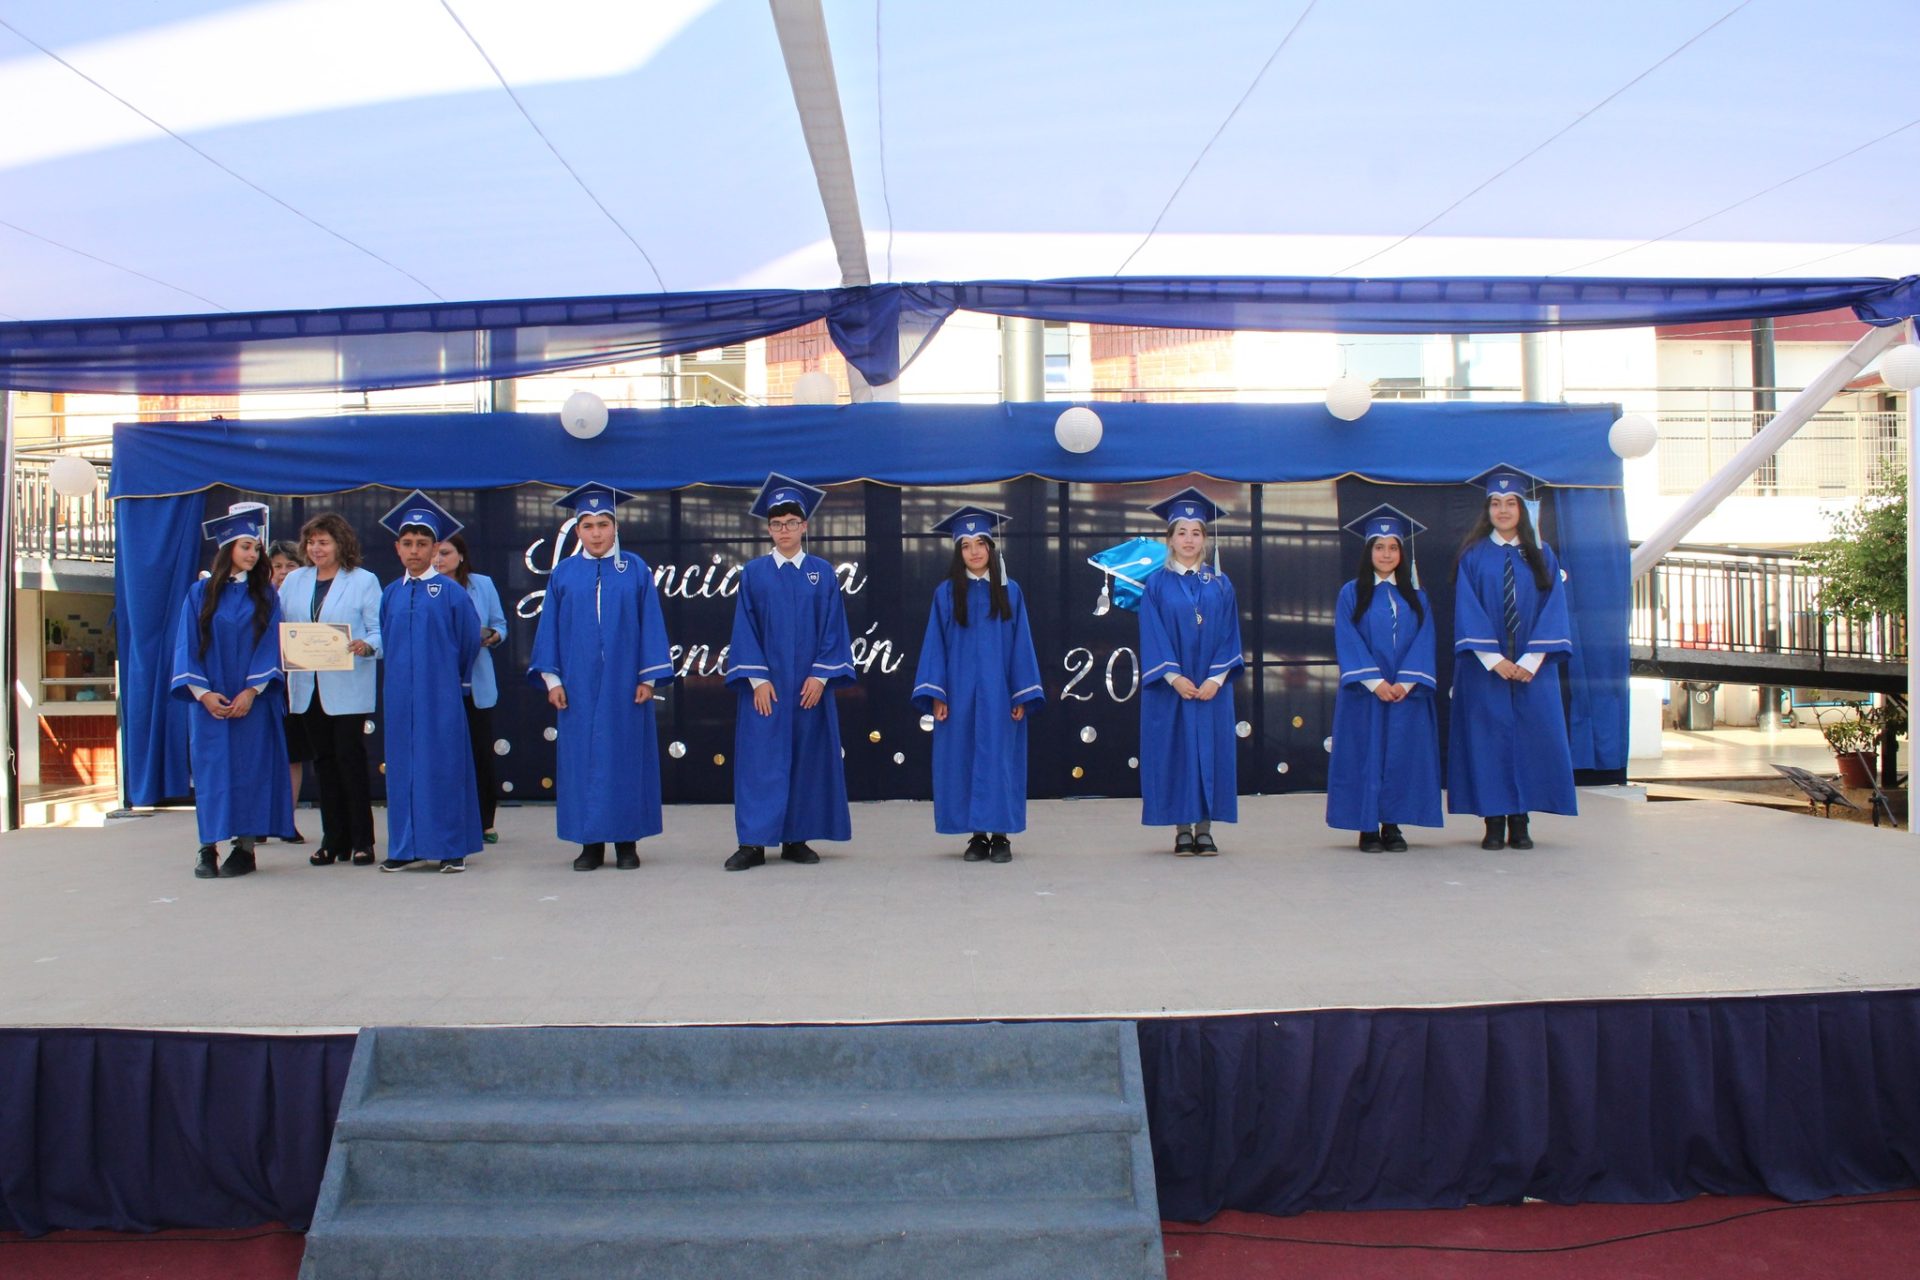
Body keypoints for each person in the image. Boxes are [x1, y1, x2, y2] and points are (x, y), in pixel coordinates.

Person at [526, 484, 674, 871]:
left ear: (616, 527)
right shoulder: (564, 574)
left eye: (603, 524)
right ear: (577, 530)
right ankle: (589, 843)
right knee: (582, 761)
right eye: (588, 525)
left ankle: (627, 843)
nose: (596, 533)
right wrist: (553, 681)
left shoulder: (635, 569)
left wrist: (648, 679)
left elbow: (651, 624)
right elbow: (549, 629)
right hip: (577, 685)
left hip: (625, 685)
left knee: (625, 758)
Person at [723, 473, 856, 871]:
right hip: (767, 688)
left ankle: (797, 839)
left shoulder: (821, 573)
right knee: (760, 762)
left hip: (808, 687)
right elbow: (744, 629)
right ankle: (753, 843)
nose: (784, 530)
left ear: (804, 526)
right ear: (768, 529)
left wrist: (821, 676)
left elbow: (834, 629)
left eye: (791, 523)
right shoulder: (754, 573)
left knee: (806, 759)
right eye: (777, 524)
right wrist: (758, 680)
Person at [1448, 466, 1577, 850]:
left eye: (1510, 503)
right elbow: (1467, 609)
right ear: (1487, 510)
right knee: (1488, 741)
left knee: (1530, 741)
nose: (1502, 510)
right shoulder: (1473, 556)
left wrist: (1532, 660)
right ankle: (1493, 821)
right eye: (1495, 503)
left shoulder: (1542, 555)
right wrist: (1495, 659)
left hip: (1533, 669)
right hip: (1486, 670)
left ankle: (1520, 820)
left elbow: (1554, 608)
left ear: (1522, 509)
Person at [911, 506, 1044, 863]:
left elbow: (1022, 645)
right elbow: (935, 645)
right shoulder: (945, 594)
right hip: (959, 693)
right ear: (958, 551)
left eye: (980, 543)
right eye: (966, 545)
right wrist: (937, 694)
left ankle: (1000, 836)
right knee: (963, 760)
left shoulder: (1010, 592)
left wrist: (1021, 694)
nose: (974, 551)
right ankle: (976, 836)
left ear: (991, 546)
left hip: (1000, 693)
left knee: (999, 760)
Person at [169, 507, 294, 878]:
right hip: (210, 703)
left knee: (250, 772)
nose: (253, 554)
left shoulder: (265, 596)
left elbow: (270, 646)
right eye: (246, 547)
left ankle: (245, 848)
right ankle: (207, 848)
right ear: (227, 549)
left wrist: (252, 692)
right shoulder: (200, 593)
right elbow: (187, 644)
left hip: (251, 703)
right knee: (212, 774)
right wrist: (203, 694)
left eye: (256, 548)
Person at [375, 491, 482, 872]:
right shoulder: (391, 593)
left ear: (436, 548)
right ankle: (406, 847)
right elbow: (387, 639)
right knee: (403, 769)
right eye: (407, 543)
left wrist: (448, 680)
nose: (415, 551)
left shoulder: (451, 593)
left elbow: (468, 642)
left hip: (440, 694)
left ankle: (450, 847)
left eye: (422, 544)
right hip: (400, 697)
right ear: (397, 548)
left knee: (443, 766)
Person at [1326, 505, 1442, 852]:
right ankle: (1367, 827)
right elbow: (1348, 638)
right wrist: (1376, 683)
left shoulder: (1417, 597)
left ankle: (1392, 824)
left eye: (1393, 547)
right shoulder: (1351, 593)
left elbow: (1425, 640)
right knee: (1366, 756)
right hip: (1366, 693)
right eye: (1379, 547)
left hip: (1405, 693)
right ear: (1369, 551)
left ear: (1402, 554)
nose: (1387, 554)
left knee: (1401, 755)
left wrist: (1404, 682)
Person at [1137, 488, 1243, 855]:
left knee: (1211, 751)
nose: (1189, 539)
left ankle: (1205, 829)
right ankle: (1182, 829)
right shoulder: (1156, 584)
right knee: (1177, 752)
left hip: (1212, 687)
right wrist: (1174, 677)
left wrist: (1216, 679)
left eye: (1196, 532)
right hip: (1174, 687)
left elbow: (1230, 634)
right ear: (1169, 539)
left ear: (1205, 539)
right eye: (1181, 532)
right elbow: (1152, 633)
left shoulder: (1221, 584)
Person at [280, 513, 382, 867]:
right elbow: (282, 625)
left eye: (323, 542)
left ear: (341, 544)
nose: (316, 549)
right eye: (311, 542)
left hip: (347, 685)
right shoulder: (295, 580)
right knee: (323, 763)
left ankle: (362, 840)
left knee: (349, 760)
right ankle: (332, 839)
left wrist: (367, 646)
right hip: (307, 685)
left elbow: (379, 630)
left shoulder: (363, 580)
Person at [434, 532, 509, 846]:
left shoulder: (482, 584)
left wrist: (492, 635)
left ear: (461, 556)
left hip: (475, 680)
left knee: (480, 753)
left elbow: (500, 624)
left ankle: (484, 821)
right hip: (439, 683)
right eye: (435, 553)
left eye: (445, 552)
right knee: (443, 754)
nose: (438, 559)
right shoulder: (424, 587)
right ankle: (448, 819)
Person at [267, 537, 309, 844]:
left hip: (295, 685)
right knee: (261, 755)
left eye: (290, 565)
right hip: (261, 687)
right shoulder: (255, 598)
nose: (283, 572)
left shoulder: (304, 598)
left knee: (293, 754)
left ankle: (287, 820)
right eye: (277, 566)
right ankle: (256, 821)